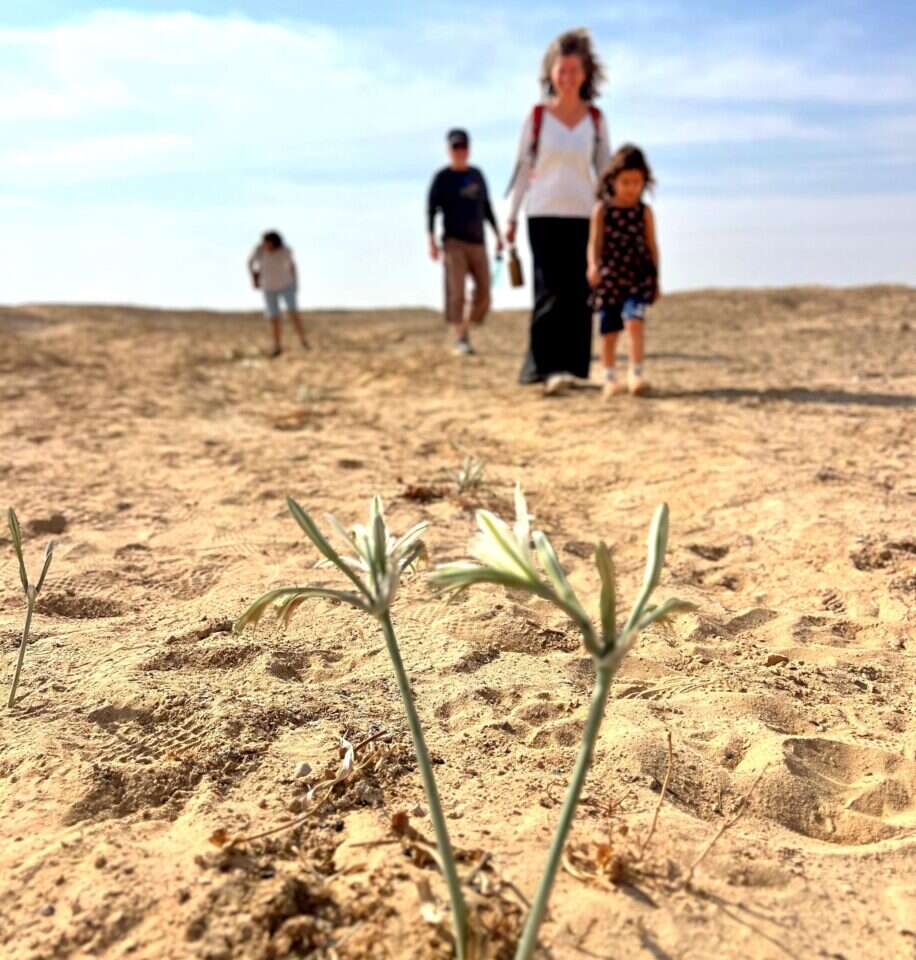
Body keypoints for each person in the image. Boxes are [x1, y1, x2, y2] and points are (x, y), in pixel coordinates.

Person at [507, 28, 611, 393]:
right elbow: (523, 169)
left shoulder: (595, 120)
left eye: (573, 70)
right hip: (543, 213)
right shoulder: (537, 117)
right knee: (549, 289)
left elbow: (605, 169)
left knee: (580, 292)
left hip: (584, 213)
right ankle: (545, 367)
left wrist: (610, 214)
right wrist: (510, 217)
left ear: (585, 74)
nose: (567, 77)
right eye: (560, 70)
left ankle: (574, 368)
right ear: (550, 73)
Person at [587, 144, 660, 398]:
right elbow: (594, 243)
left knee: (635, 323)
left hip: (638, 276)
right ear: (613, 181)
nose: (631, 188)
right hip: (610, 278)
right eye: (625, 182)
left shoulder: (644, 212)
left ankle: (636, 374)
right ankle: (609, 377)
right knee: (609, 331)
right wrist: (592, 266)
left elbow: (652, 245)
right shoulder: (602, 210)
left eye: (636, 182)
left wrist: (656, 278)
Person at [427, 129, 503, 356]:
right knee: (456, 292)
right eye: (455, 147)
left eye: (463, 147)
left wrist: (497, 235)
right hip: (453, 243)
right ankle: (460, 337)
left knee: (484, 292)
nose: (460, 151)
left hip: (478, 242)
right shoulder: (442, 178)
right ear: (448, 150)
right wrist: (431, 240)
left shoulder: (476, 175)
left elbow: (487, 207)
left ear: (469, 149)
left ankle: (467, 325)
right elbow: (431, 210)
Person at [247, 231, 308, 357]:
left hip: (286, 285)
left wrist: (295, 283)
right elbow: (250, 262)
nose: (265, 244)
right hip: (268, 288)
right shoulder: (259, 251)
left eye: (267, 242)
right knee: (274, 318)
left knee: (293, 313)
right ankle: (277, 346)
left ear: (274, 243)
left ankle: (303, 341)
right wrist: (254, 277)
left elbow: (292, 266)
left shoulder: (285, 251)